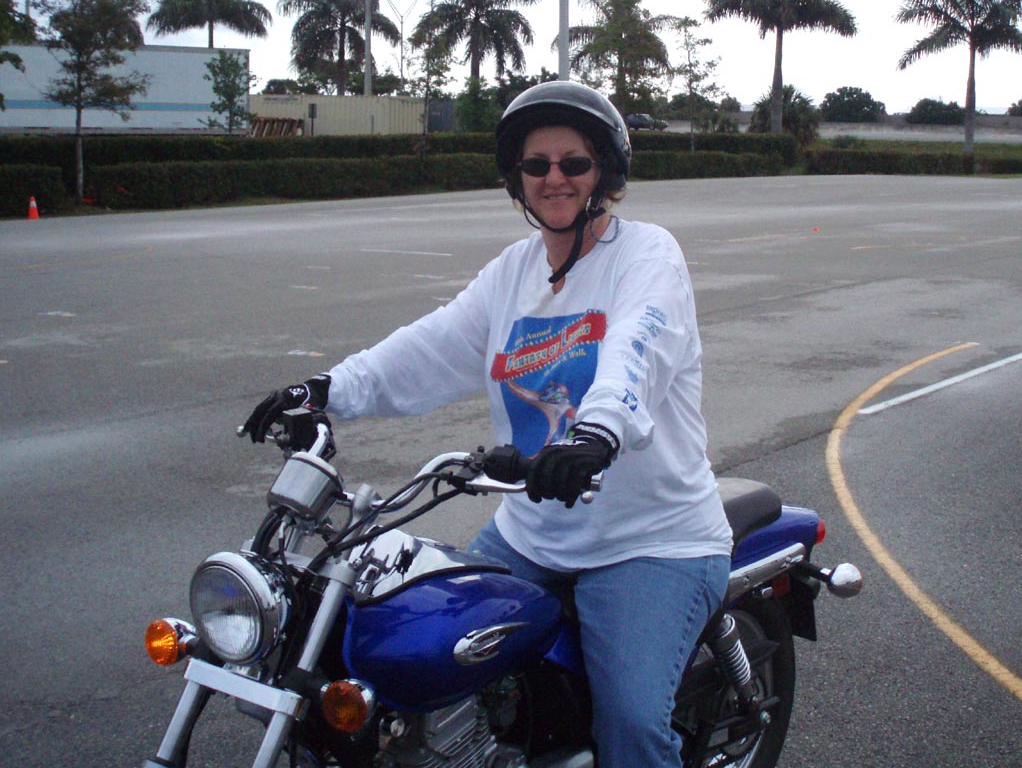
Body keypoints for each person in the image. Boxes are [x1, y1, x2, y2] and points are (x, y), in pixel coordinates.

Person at [242, 80, 734, 768]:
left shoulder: (646, 255)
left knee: (629, 725)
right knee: (424, 653)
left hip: (651, 541)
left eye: (574, 163)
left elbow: (637, 349)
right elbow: (428, 347)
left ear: (605, 173)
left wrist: (597, 435)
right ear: (517, 178)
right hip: (530, 533)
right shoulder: (514, 272)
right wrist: (325, 391)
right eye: (537, 165)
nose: (555, 178)